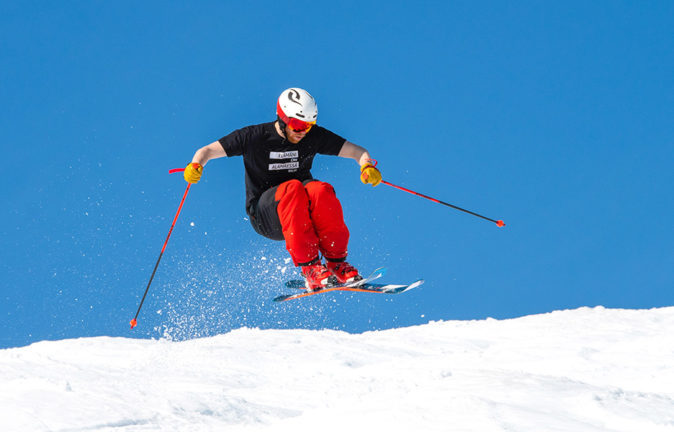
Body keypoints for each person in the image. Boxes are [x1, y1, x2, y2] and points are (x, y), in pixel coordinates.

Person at [184, 88, 382, 289]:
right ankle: (311, 269)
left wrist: (366, 165)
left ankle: (336, 263)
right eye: (297, 125)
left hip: (300, 213)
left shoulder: (312, 137)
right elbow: (206, 151)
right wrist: (196, 164)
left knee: (320, 190)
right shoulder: (254, 136)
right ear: (282, 118)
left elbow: (358, 151)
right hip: (266, 216)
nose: (303, 131)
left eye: (308, 125)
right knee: (293, 188)